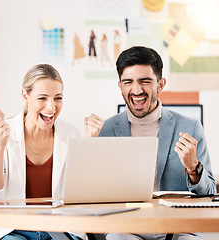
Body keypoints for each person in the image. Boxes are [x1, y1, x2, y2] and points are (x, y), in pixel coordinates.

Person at [91, 46, 216, 240]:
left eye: (145, 81)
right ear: (120, 86)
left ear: (161, 84)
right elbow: (92, 195)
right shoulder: (105, 130)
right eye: (128, 82)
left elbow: (210, 195)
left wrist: (194, 168)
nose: (137, 90)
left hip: (179, 229)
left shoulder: (190, 127)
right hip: (126, 228)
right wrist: (91, 146)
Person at [0, 64, 86, 240]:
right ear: (25, 96)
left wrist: (91, 141)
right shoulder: (1, 132)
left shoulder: (71, 134)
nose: (51, 107)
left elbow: (80, 197)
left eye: (58, 98)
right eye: (42, 98)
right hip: (12, 230)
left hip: (56, 229)